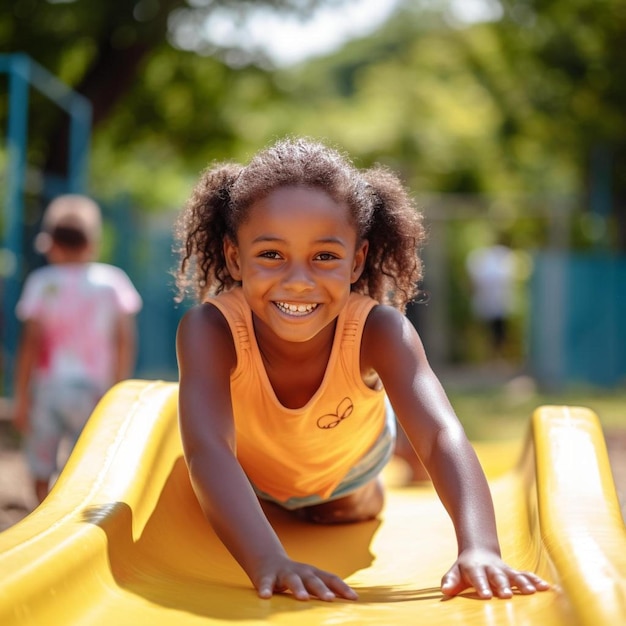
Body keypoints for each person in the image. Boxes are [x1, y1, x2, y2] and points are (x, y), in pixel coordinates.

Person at [174, 137, 550, 602]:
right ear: (235, 256)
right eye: (271, 254)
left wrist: (480, 548)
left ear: (356, 260)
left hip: (348, 474)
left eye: (325, 257)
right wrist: (268, 560)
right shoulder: (210, 328)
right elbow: (208, 450)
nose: (297, 280)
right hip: (253, 476)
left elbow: (439, 435)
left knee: (345, 509)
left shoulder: (379, 331)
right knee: (233, 497)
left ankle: (390, 459)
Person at [13, 194, 142, 503]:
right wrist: (119, 385)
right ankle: (73, 519)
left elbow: (30, 343)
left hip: (49, 388)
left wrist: (21, 397)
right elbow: (125, 339)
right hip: (96, 391)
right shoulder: (112, 282)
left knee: (41, 460)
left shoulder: (41, 282)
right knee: (86, 461)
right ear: (92, 243)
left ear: (50, 244)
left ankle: (40, 512)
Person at [466, 237, 517, 359]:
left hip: (498, 306)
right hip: (490, 306)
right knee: (490, 334)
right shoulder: (488, 261)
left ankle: (497, 358)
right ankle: (491, 359)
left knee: (499, 334)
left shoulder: (499, 261)